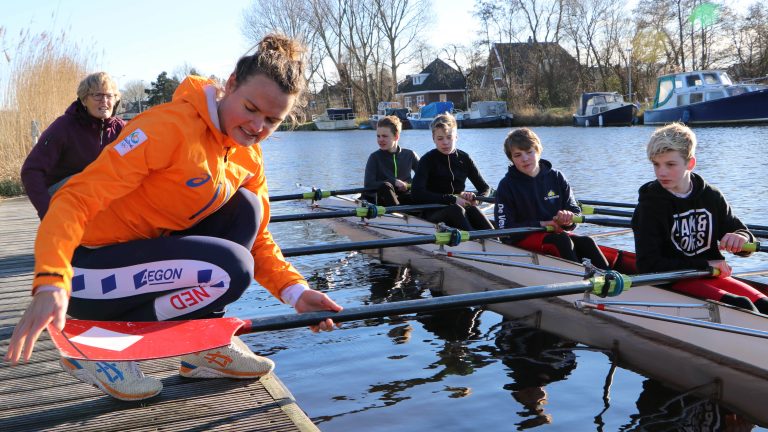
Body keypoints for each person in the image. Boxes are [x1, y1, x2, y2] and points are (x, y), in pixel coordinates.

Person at [4, 34, 343, 401]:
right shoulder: (166, 127)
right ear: (230, 85)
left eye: (271, 120)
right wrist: (50, 280)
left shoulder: (247, 155)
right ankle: (94, 344)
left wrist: (295, 292)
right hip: (84, 270)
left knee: (247, 208)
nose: (257, 126)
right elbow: (73, 199)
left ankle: (202, 348)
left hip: (140, 262)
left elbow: (258, 236)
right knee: (231, 268)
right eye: (250, 108)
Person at [631, 122, 767, 313]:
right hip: (672, 280)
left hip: (710, 274)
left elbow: (744, 238)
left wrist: (742, 238)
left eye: (670, 164)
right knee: (743, 307)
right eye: (656, 164)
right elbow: (647, 265)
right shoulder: (649, 206)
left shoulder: (711, 196)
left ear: (690, 163)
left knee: (764, 305)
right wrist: (704, 264)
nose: (661, 172)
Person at [494, 128, 609, 268]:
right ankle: (580, 281)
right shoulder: (506, 185)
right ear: (511, 158)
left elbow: (575, 211)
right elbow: (504, 230)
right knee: (561, 240)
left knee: (587, 241)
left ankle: (613, 279)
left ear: (538, 151)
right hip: (523, 238)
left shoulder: (556, 177)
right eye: (518, 155)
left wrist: (568, 218)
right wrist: (542, 224)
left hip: (554, 234)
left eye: (529, 152)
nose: (524, 159)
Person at [21, 72, 125, 219]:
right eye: (97, 95)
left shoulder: (122, 129)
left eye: (109, 96)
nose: (104, 101)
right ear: (84, 100)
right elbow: (31, 170)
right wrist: (46, 210)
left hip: (101, 198)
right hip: (62, 196)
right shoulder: (64, 127)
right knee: (92, 177)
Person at [411, 113, 494, 231]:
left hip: (459, 209)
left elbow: (485, 188)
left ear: (456, 137)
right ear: (433, 138)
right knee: (456, 209)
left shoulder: (464, 158)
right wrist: (452, 199)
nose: (445, 142)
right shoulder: (427, 160)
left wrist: (476, 198)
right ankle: (475, 241)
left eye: (449, 137)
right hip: (432, 213)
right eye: (440, 138)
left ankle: (495, 239)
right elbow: (416, 193)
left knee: (473, 209)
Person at [361, 115, 419, 206]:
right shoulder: (374, 157)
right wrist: (393, 182)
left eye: (384, 136)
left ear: (396, 136)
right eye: (378, 136)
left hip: (404, 197)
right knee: (385, 186)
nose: (380, 140)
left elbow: (424, 177)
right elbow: (368, 185)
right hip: (382, 200)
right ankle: (400, 213)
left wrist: (407, 184)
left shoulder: (410, 155)